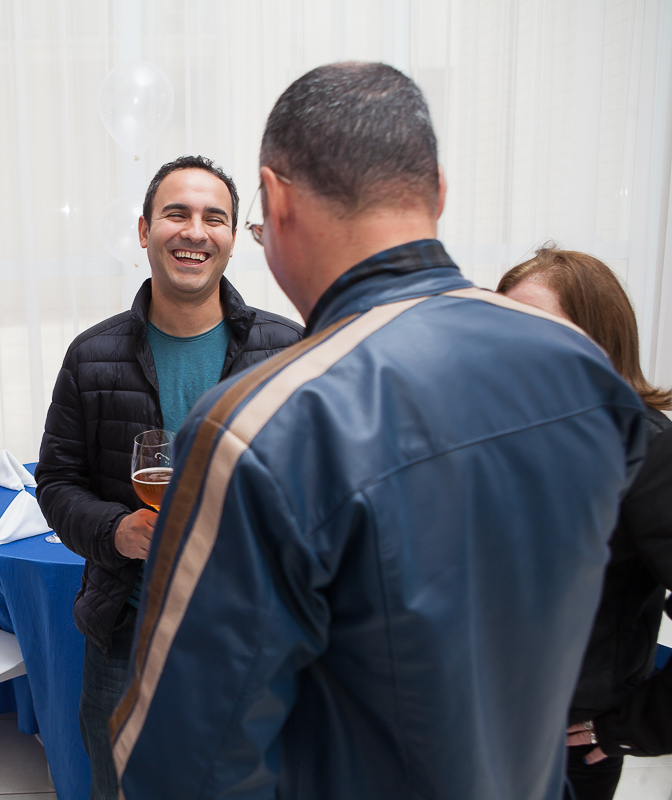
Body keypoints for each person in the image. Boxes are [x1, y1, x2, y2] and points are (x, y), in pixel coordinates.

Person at [110, 62, 648, 800]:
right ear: (439, 192)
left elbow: (181, 766)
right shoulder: (587, 372)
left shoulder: (263, 425)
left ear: (275, 200)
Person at [35, 155, 303, 800]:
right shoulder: (92, 355)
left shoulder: (287, 347)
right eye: (176, 213)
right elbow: (57, 482)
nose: (195, 231)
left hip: (251, 641)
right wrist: (117, 530)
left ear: (234, 239)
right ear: (143, 229)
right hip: (127, 637)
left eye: (216, 218)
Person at [499, 247, 672, 800]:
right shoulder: (497, 435)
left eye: (545, 329)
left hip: (568, 745)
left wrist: (634, 726)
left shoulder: (647, 449)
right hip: (473, 724)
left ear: (600, 340)